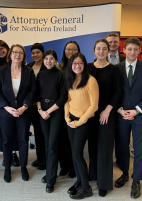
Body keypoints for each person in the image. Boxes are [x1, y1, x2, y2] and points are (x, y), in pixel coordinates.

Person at [115, 38, 142, 199]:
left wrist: (136, 110)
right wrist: (120, 110)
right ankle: (125, 174)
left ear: (140, 51)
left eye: (135, 49)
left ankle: (136, 181)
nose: (132, 52)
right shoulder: (116, 68)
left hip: (141, 115)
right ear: (124, 50)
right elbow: (114, 92)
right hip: (121, 115)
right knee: (122, 147)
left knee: (139, 150)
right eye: (129, 49)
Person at [0, 44, 36, 183]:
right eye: (15, 52)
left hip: (24, 111)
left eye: (20, 53)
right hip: (6, 112)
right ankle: (7, 168)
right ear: (10, 54)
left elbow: (33, 91)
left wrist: (24, 106)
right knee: (7, 140)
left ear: (24, 56)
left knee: (23, 140)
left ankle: (23, 167)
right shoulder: (1, 72)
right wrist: (6, 107)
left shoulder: (29, 71)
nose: (17, 55)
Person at [87, 39, 122, 197]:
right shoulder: (87, 68)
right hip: (90, 113)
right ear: (94, 50)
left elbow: (118, 92)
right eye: (98, 48)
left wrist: (107, 110)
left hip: (106, 114)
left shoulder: (114, 70)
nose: (101, 51)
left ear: (109, 51)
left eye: (104, 49)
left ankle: (104, 183)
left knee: (105, 147)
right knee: (92, 145)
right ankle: (93, 175)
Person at [64, 53, 99, 199]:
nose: (77, 66)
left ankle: (86, 187)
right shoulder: (70, 79)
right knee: (74, 153)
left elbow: (94, 106)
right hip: (71, 119)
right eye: (74, 63)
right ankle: (79, 180)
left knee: (78, 153)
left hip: (84, 121)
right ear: (70, 65)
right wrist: (66, 117)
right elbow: (67, 100)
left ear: (84, 65)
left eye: (80, 63)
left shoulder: (91, 81)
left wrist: (79, 122)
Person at [36, 49, 67, 193]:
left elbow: (63, 97)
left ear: (56, 61)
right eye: (46, 58)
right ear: (43, 60)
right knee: (47, 143)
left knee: (53, 144)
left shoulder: (61, 75)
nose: (48, 61)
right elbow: (35, 94)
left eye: (51, 59)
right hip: (42, 109)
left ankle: (51, 180)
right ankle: (50, 172)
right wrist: (40, 110)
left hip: (55, 110)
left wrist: (48, 111)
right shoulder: (40, 75)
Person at [0, 40, 20, 167]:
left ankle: (14, 153)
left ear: (7, 49)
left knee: (15, 131)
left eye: (2, 49)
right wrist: (4, 104)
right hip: (2, 103)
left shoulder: (16, 62)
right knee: (4, 131)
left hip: (16, 103)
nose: (0, 52)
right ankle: (7, 154)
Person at [55, 41, 80, 178]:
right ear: (64, 51)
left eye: (74, 49)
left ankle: (73, 167)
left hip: (75, 108)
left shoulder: (80, 65)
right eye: (68, 49)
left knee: (73, 141)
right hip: (60, 107)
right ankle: (64, 166)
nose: (71, 51)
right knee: (62, 139)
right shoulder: (59, 67)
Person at [27, 43, 47, 171]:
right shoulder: (28, 66)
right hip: (31, 105)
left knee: (44, 133)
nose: (35, 55)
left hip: (44, 105)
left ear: (43, 53)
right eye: (33, 52)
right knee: (37, 134)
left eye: (38, 52)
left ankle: (45, 160)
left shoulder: (48, 66)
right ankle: (39, 158)